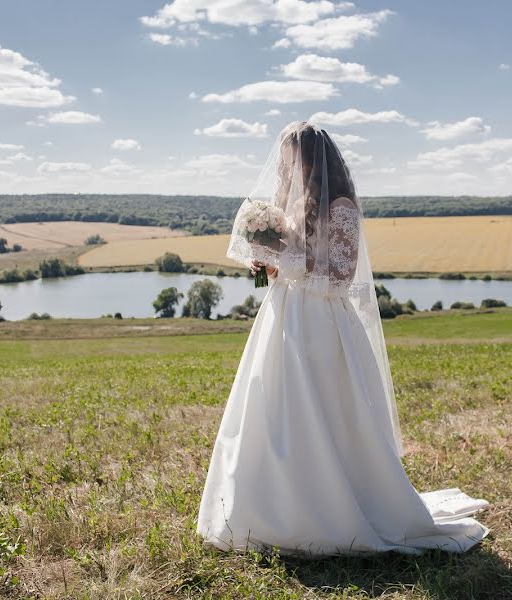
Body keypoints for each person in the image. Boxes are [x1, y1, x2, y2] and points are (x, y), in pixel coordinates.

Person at [196, 121, 489, 556]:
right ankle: (268, 509)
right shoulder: (288, 204)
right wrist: (266, 261)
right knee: (272, 406)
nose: (283, 165)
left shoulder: (342, 206)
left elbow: (339, 274)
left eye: (290, 157)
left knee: (327, 409)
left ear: (312, 159)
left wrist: (283, 257)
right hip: (283, 318)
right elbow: (291, 264)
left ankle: (336, 509)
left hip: (323, 324)